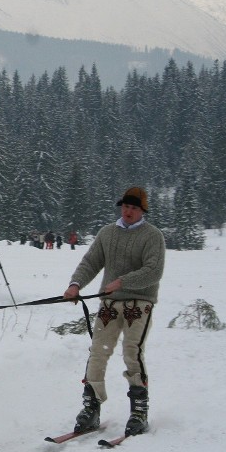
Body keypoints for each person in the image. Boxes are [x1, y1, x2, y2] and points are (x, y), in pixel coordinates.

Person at [62, 186, 166, 437]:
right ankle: (91, 407)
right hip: (109, 305)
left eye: (134, 208)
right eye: (126, 206)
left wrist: (123, 281)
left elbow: (154, 271)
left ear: (142, 211)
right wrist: (75, 285)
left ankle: (139, 411)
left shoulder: (153, 236)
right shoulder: (107, 233)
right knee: (98, 352)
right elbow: (91, 262)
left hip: (139, 304)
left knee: (132, 352)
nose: (129, 211)